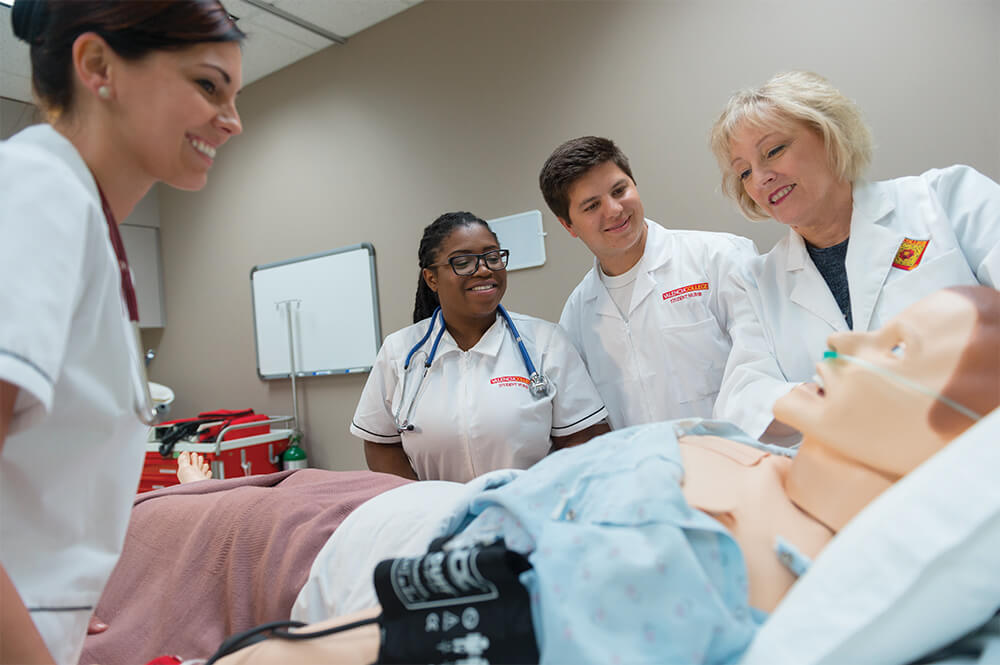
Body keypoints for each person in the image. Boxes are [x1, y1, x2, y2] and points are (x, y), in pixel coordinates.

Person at [82, 287, 999, 665]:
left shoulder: (681, 564)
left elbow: (308, 650)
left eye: (898, 346)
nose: (842, 341)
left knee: (109, 551)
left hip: (324, 552)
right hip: (385, 498)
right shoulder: (777, 460)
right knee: (163, 502)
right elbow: (378, 439)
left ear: (958, 449)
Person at [0, 1, 243, 662]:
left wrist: (51, 597)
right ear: (98, 66)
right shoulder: (39, 191)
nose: (233, 120)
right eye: (208, 84)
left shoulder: (86, 220)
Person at [709, 70, 1000, 443]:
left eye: (773, 150)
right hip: (867, 483)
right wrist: (835, 397)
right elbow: (741, 398)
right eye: (744, 172)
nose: (761, 177)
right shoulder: (756, 282)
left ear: (831, 135)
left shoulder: (946, 198)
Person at [350, 211, 610, 482]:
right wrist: (424, 503)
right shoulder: (399, 352)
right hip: (438, 518)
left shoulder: (547, 342)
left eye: (493, 257)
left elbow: (584, 439)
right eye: (463, 262)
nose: (484, 269)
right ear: (431, 278)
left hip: (527, 514)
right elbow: (380, 444)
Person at [539, 136, 758, 430]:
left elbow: (765, 371)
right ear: (568, 225)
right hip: (646, 472)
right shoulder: (577, 315)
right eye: (592, 206)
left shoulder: (720, 258)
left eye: (620, 190)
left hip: (741, 461)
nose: (614, 209)